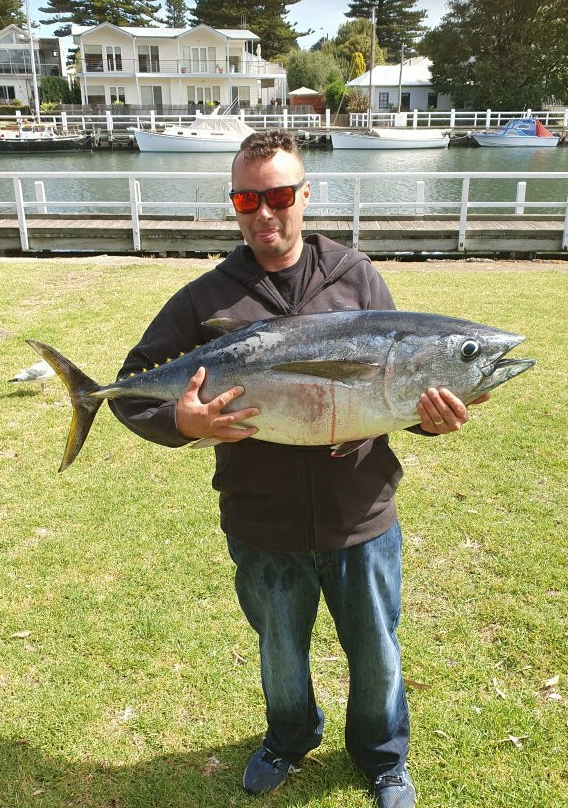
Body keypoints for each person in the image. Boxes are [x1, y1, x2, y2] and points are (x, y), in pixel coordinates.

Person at [109, 130, 487, 808]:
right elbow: (132, 386)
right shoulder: (205, 298)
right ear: (235, 206)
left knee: (376, 651)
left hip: (360, 511)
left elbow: (393, 393)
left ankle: (381, 756)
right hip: (262, 517)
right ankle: (288, 739)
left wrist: (428, 419)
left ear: (305, 197)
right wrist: (181, 423)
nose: (265, 214)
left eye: (280, 196)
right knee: (280, 652)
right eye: (248, 199)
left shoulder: (357, 277)